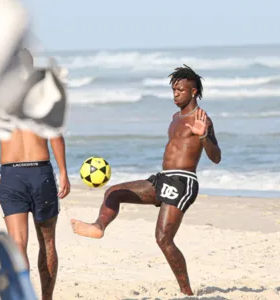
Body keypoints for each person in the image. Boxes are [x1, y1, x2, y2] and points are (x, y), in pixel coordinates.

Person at [71, 64, 222, 296]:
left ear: (193, 92)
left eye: (180, 90)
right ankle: (99, 226)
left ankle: (187, 293)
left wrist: (203, 134)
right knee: (114, 192)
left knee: (163, 238)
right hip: (164, 178)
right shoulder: (175, 117)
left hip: (183, 182)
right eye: (173, 90)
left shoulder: (201, 118)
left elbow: (216, 157)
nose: (176, 94)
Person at [0, 48, 71, 300]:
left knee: (18, 244)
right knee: (47, 242)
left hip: (11, 175)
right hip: (40, 173)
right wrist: (63, 172)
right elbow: (55, 136)